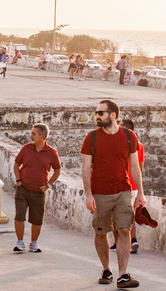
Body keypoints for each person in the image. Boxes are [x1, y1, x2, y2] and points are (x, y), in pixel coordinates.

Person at [81, 99, 146, 288]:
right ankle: (106, 269)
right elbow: (86, 168)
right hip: (99, 192)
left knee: (124, 230)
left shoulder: (129, 136)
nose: (97, 116)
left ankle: (123, 275)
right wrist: (88, 195)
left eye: (100, 113)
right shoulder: (91, 137)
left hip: (123, 191)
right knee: (101, 233)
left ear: (113, 115)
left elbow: (134, 166)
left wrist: (140, 193)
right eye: (96, 113)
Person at [13, 123, 61, 253]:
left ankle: (33, 244)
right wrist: (18, 180)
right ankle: (19, 242)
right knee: (19, 215)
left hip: (39, 191)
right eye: (31, 133)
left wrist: (48, 185)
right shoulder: (26, 148)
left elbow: (57, 170)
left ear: (42, 136)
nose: (31, 136)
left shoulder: (51, 152)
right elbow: (17, 163)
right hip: (23, 188)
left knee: (37, 219)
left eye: (34, 134)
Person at [110, 119, 144, 254]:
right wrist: (141, 189)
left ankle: (121, 241)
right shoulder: (140, 146)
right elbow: (140, 168)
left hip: (121, 184)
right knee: (129, 213)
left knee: (116, 214)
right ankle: (132, 240)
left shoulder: (117, 145)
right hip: (134, 185)